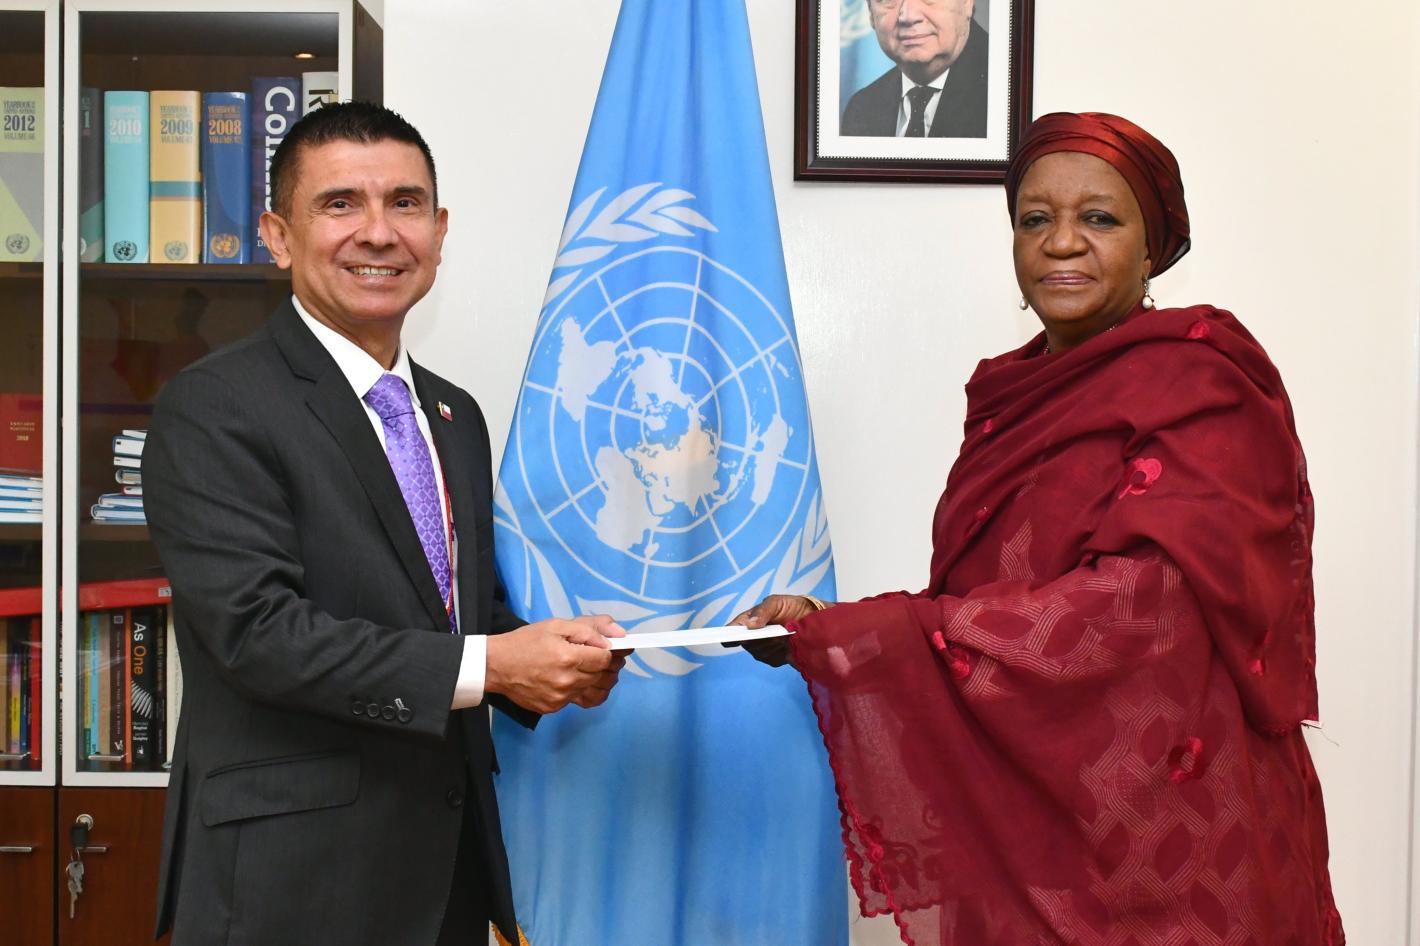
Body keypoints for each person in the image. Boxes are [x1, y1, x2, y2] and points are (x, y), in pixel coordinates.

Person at [734, 112, 1344, 944]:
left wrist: (870, 635)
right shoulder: (1007, 400)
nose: (1061, 242)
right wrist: (821, 626)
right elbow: (987, 596)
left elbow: (1137, 612)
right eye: (1034, 219)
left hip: (1183, 843)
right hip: (1034, 831)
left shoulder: (1205, 386)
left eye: (1100, 217)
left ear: (1153, 247)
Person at [144, 102, 625, 946]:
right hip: (288, 885)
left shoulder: (453, 415)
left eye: (405, 203)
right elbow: (257, 634)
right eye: (339, 204)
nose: (378, 232)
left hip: (444, 874)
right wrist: (495, 664)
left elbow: (451, 620)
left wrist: (551, 662)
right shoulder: (215, 406)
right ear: (278, 236)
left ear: (439, 232)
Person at [840, 0, 988, 139]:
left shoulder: (1000, 96)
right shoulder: (861, 109)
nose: (909, 17)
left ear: (967, 3)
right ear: (871, 13)